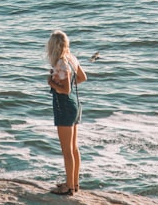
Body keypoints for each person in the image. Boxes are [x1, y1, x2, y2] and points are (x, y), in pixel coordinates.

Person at [46, 29, 87, 195]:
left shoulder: (61, 63)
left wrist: (52, 83)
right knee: (74, 148)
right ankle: (74, 183)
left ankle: (69, 188)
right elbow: (82, 78)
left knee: (66, 150)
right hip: (75, 104)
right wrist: (66, 81)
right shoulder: (71, 58)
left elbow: (65, 90)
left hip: (64, 106)